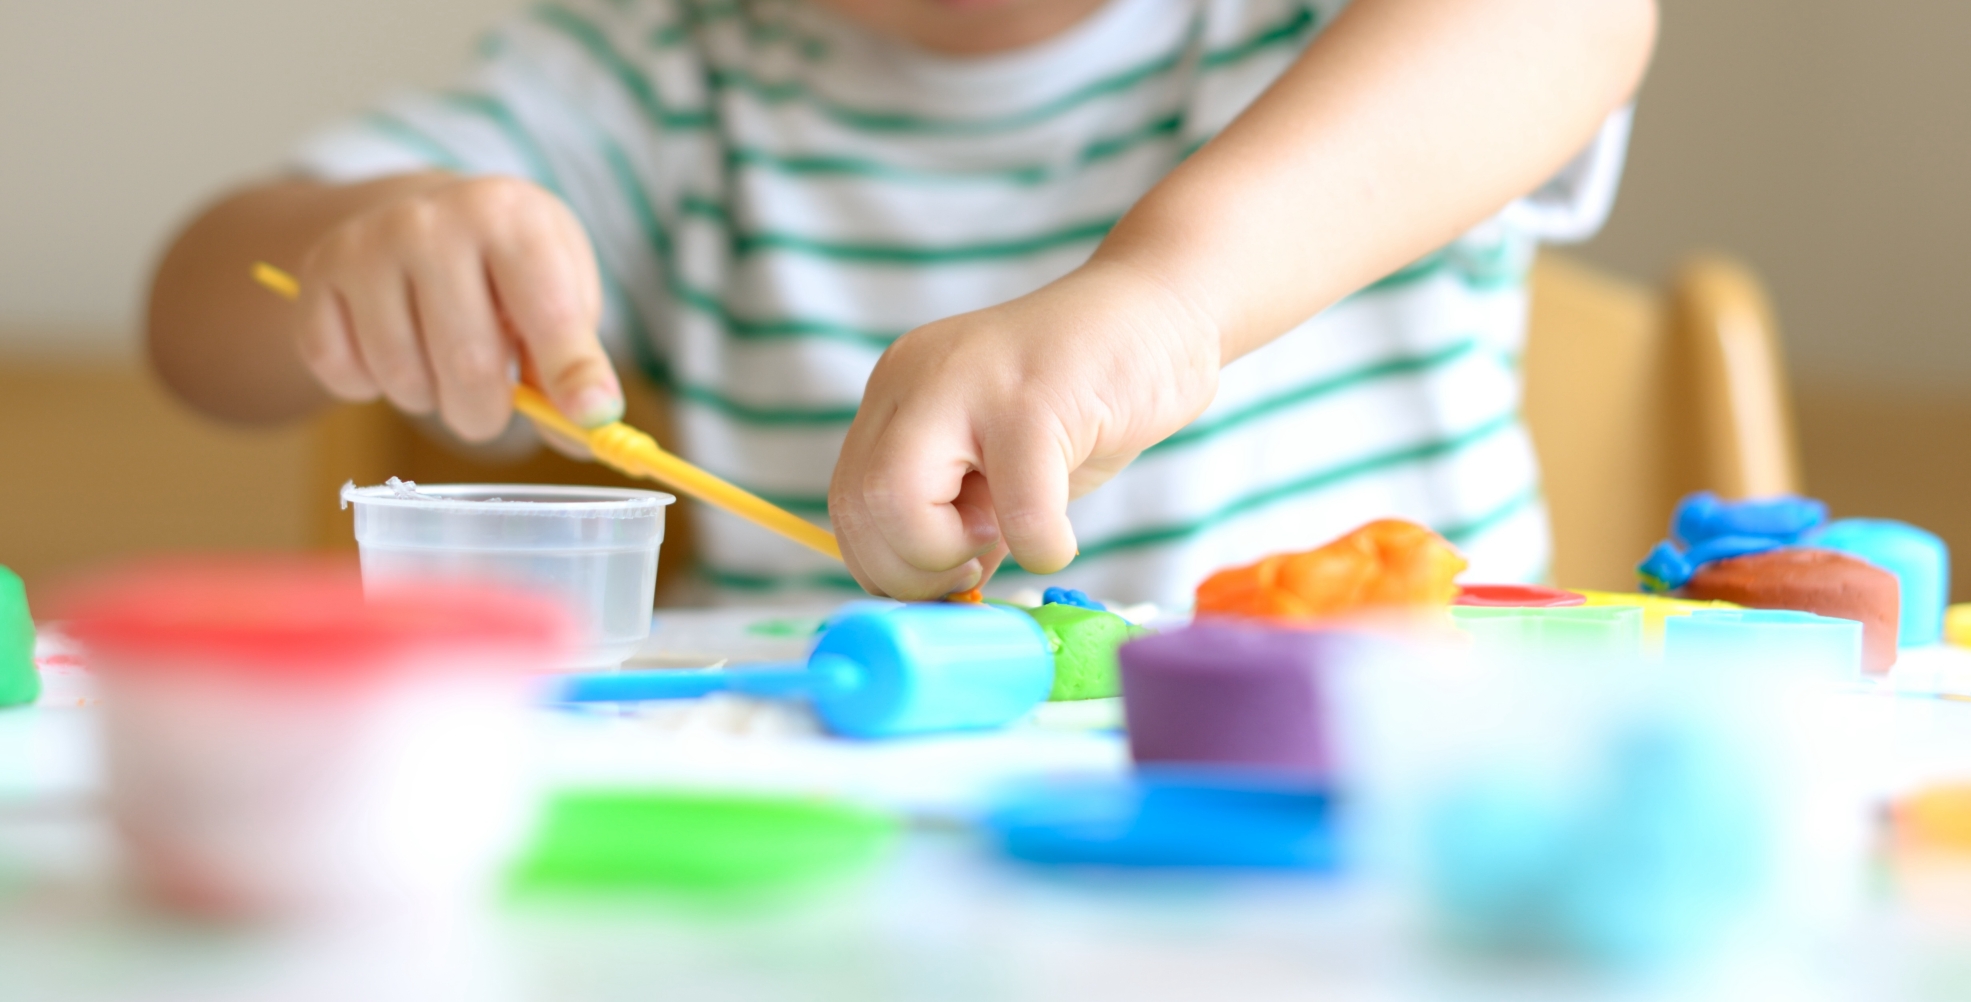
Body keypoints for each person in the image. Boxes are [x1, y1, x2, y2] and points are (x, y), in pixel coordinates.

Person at [146, 0, 1656, 606]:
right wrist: (358, 257)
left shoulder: (1327, 31)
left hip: (1394, 865)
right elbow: (197, 313)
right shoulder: (666, 74)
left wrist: (1169, 293)